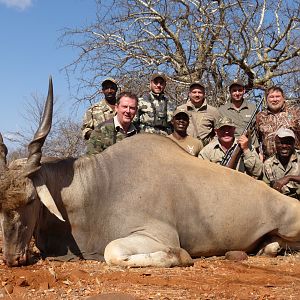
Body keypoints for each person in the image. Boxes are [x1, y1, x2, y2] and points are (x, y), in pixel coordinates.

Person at [256, 86, 300, 160]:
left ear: (283, 98)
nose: (275, 99)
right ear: (266, 99)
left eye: (278, 96)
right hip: (269, 163)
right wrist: (259, 154)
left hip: (294, 162)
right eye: (271, 97)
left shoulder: (295, 113)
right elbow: (256, 140)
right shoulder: (260, 117)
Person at [218, 80, 258, 148]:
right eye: (234, 90)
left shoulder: (253, 108)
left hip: (251, 148)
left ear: (244, 91)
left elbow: (257, 131)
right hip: (231, 149)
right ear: (230, 92)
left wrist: (259, 151)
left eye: (240, 90)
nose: (237, 93)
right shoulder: (221, 110)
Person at [263, 128, 300, 200]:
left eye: (288, 142)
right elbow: (265, 189)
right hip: (279, 204)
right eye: (280, 143)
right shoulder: (268, 164)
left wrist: (289, 177)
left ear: (293, 143)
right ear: (275, 144)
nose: (284, 146)